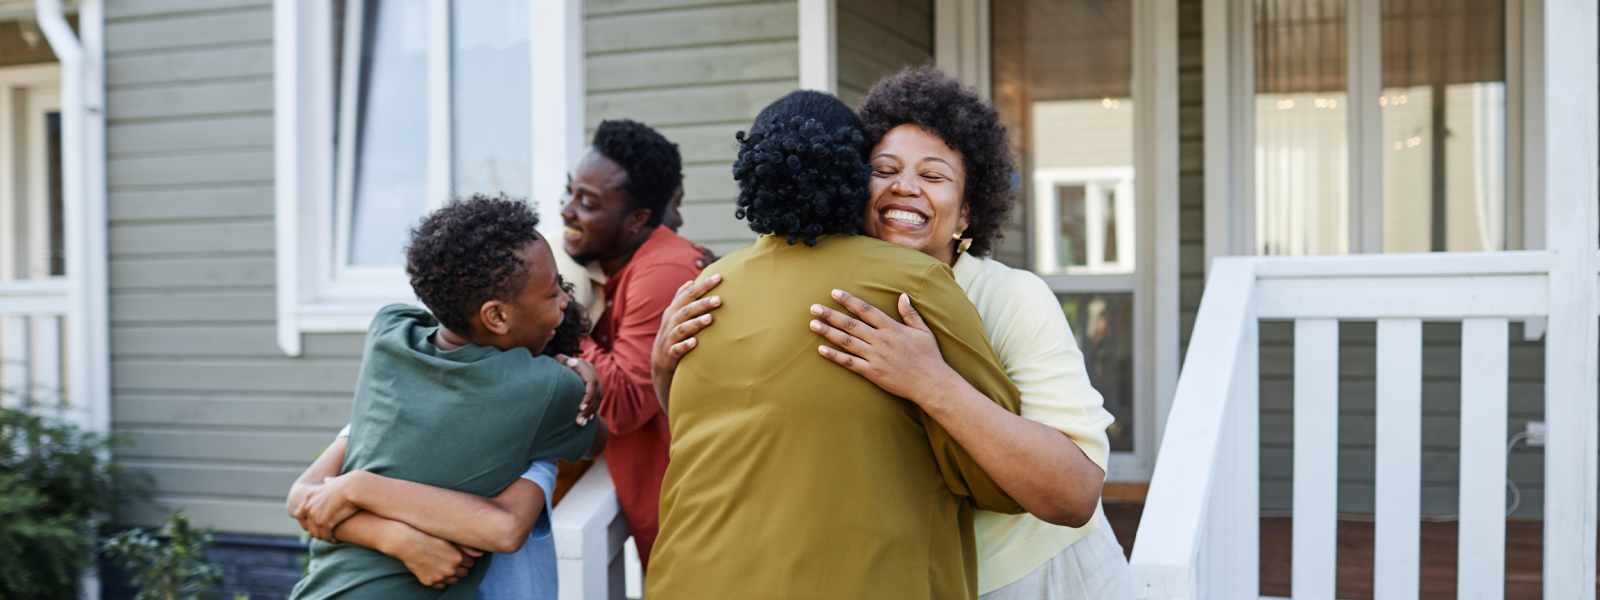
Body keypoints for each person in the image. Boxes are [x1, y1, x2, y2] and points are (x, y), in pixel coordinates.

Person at [655, 66, 1131, 599]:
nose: (905, 187)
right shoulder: (829, 295)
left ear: (968, 211)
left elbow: (1074, 495)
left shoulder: (1013, 297)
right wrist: (665, 365)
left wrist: (930, 381)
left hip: (1039, 571)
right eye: (885, 170)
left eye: (933, 176)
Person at [287, 196, 607, 600]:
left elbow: (303, 499)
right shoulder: (545, 390)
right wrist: (572, 377)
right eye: (551, 293)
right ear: (496, 316)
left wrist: (364, 497)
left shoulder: (389, 334)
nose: (564, 300)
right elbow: (598, 439)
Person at [558, 119, 703, 570]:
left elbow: (621, 402)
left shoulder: (663, 272)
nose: (566, 210)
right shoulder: (625, 267)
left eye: (588, 202)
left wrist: (557, 315)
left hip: (688, 531)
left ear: (638, 219)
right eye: (569, 192)